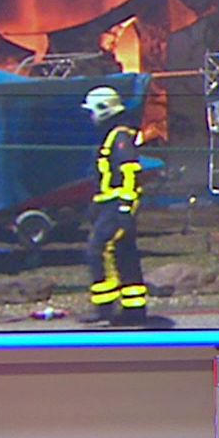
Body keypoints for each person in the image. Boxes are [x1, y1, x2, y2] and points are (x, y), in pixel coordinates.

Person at [81, 86, 149, 326]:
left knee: (99, 249)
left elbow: (130, 171)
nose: (90, 117)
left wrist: (124, 206)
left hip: (118, 204)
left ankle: (105, 308)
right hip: (109, 203)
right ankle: (134, 309)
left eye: (92, 111)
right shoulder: (113, 134)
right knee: (124, 253)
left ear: (104, 110)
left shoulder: (119, 137)